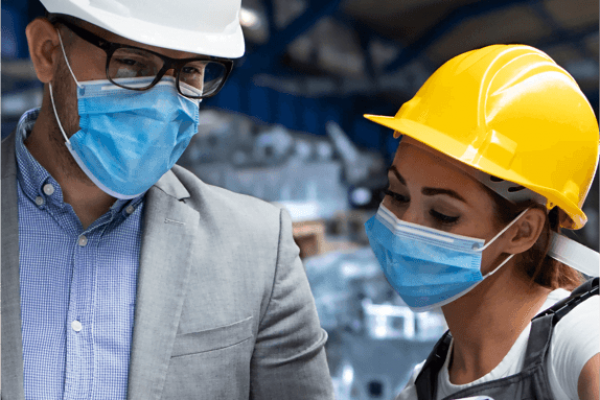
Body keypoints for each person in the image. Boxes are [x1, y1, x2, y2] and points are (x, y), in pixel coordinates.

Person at [0, 0, 334, 398]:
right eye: (134, 64)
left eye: (190, 71)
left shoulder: (259, 250)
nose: (163, 104)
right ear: (47, 52)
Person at [363, 44, 600, 400]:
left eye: (443, 214)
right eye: (396, 194)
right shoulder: (420, 388)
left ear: (523, 231)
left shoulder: (581, 337)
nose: (403, 227)